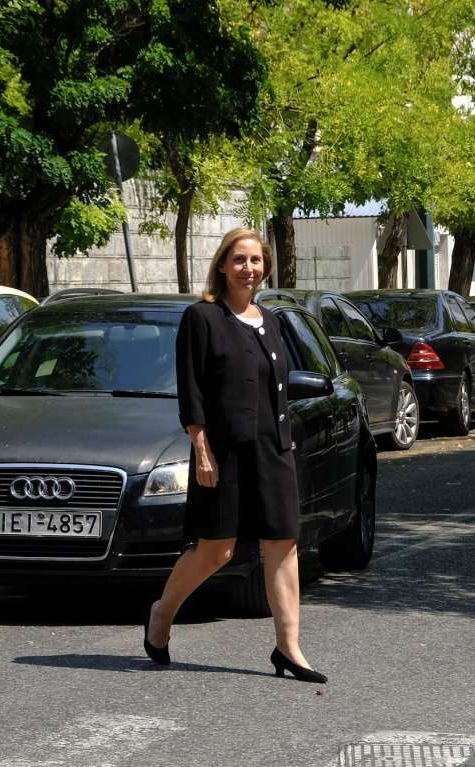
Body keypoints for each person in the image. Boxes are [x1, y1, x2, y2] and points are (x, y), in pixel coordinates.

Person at [143, 227, 326, 683]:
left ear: (265, 268)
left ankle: (289, 647)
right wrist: (201, 448)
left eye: (256, 260)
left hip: (273, 449)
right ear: (223, 265)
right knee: (216, 550)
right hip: (222, 451)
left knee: (282, 544)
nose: (249, 268)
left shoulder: (272, 320)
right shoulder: (202, 317)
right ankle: (162, 614)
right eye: (240, 260)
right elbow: (192, 389)